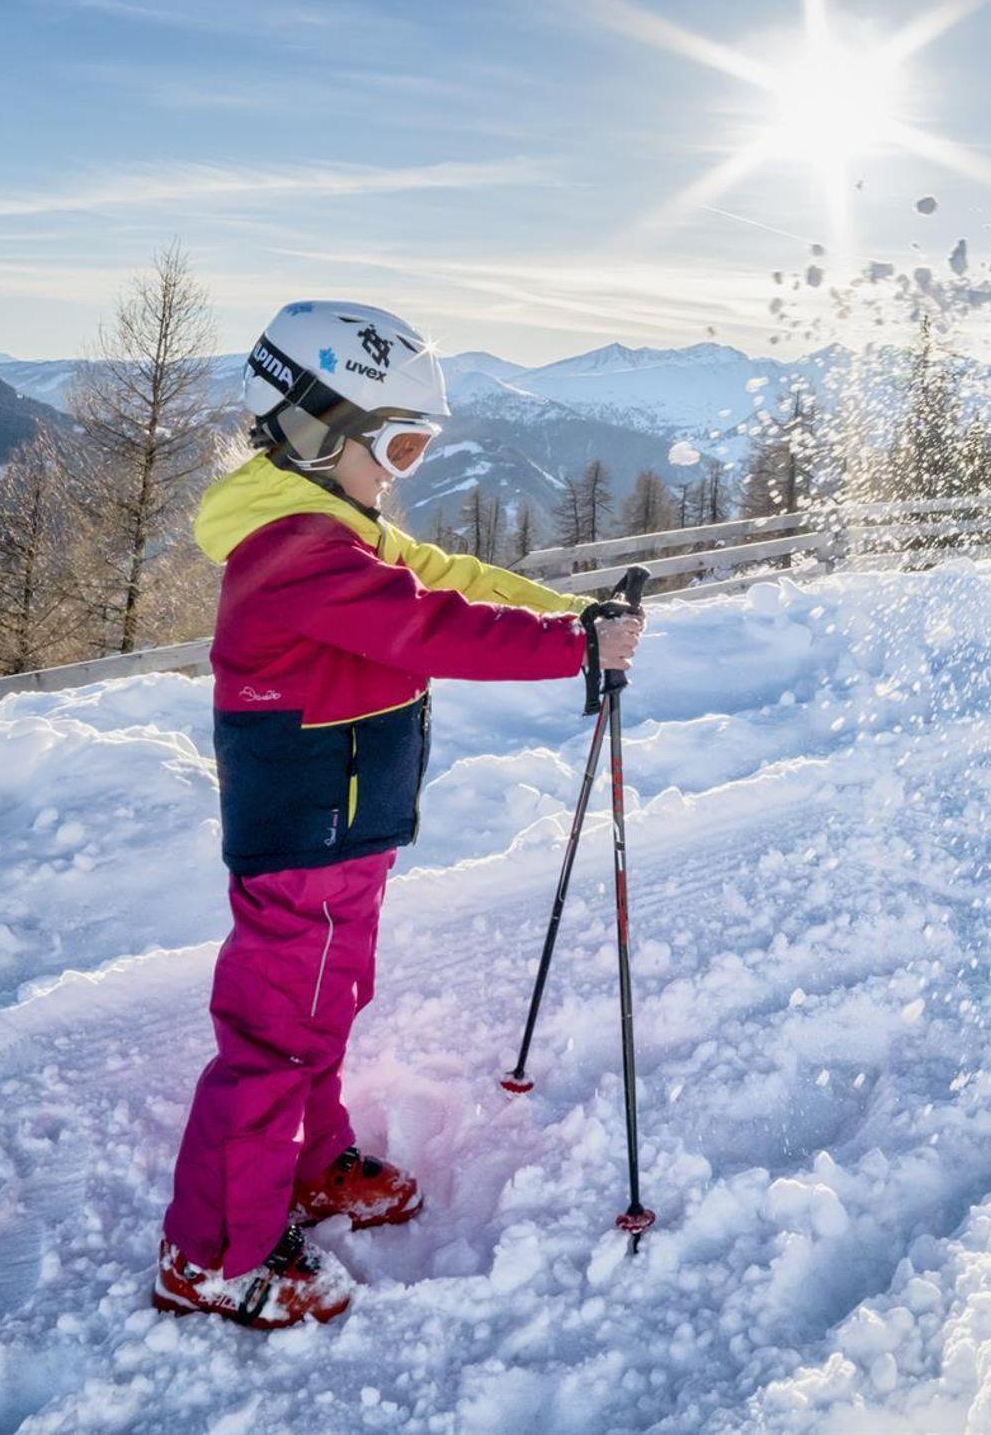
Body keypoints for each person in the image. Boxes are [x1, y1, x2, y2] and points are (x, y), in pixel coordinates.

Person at [153, 301, 644, 1329]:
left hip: (345, 829)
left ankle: (309, 1161)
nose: (404, 472)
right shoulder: (295, 550)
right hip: (302, 836)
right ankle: (212, 1255)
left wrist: (573, 614)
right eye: (401, 447)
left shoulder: (339, 531)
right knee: (274, 1036)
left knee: (322, 1010)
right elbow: (427, 625)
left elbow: (453, 579)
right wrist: (571, 651)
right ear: (318, 430)